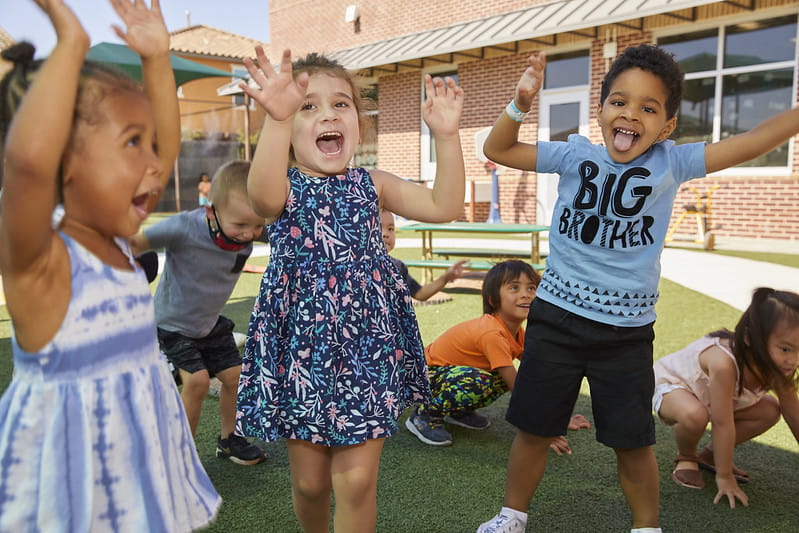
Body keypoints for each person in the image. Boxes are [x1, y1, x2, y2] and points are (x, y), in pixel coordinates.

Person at [477, 43, 799, 533]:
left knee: (633, 441)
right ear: (601, 109)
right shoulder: (573, 154)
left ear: (667, 126)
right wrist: (521, 102)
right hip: (556, 321)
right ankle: (511, 516)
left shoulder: (674, 162)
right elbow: (497, 149)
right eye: (619, 102)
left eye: (648, 108)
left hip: (625, 333)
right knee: (535, 430)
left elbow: (753, 140)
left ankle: (646, 527)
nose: (630, 115)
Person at [0, 1, 220, 531]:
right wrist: (70, 43)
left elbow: (162, 151)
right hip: (71, 490)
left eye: (150, 143)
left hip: (139, 469)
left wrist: (157, 61)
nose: (156, 162)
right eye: (131, 143)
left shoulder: (117, 242)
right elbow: (27, 165)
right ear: (65, 162)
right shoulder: (41, 262)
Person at [234, 47, 465, 533]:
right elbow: (261, 197)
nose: (326, 114)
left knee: (356, 485)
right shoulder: (285, 187)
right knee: (310, 486)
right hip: (302, 354)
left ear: (359, 123)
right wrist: (274, 122)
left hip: (366, 348)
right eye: (307, 106)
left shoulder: (373, 185)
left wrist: (446, 136)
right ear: (288, 127)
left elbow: (444, 205)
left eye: (341, 104)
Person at [130, 159, 267, 465]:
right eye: (241, 225)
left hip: (209, 324)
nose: (249, 234)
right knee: (198, 381)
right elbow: (134, 243)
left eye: (257, 226)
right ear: (211, 211)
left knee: (235, 376)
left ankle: (229, 440)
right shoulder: (184, 227)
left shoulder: (246, 224)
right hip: (171, 325)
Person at [404, 260, 590, 448]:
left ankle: (458, 411)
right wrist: (543, 428)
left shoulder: (518, 332)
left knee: (510, 377)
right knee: (483, 381)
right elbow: (516, 387)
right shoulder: (492, 333)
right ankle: (425, 415)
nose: (525, 294)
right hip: (426, 378)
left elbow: (536, 374)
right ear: (493, 299)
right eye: (514, 288)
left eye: (532, 288)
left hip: (450, 376)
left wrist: (560, 418)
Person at [654, 288, 799, 507]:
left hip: (714, 399)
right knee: (695, 415)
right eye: (786, 349)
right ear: (750, 339)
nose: (793, 360)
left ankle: (709, 456)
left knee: (770, 410)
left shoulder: (778, 368)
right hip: (673, 386)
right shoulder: (724, 364)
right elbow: (722, 423)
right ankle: (686, 456)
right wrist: (725, 477)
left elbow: (794, 414)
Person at [380, 208, 466, 302]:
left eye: (390, 229)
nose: (385, 234)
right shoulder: (362, 268)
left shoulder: (397, 267)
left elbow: (420, 293)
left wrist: (446, 277)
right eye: (378, 228)